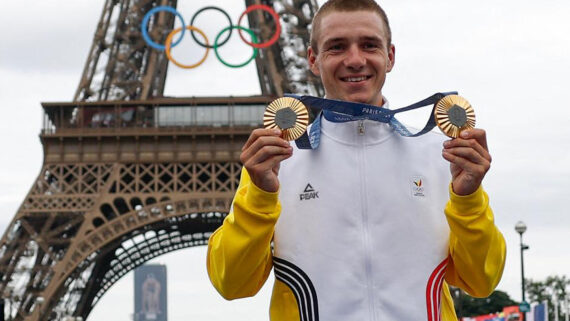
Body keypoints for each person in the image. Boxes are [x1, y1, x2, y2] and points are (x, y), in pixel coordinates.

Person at [207, 0, 506, 320]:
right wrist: (260, 196)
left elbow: (482, 281)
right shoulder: (278, 165)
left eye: (369, 45)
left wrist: (468, 199)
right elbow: (232, 284)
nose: (355, 60)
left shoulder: (441, 157)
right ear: (313, 59)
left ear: (390, 56)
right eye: (337, 47)